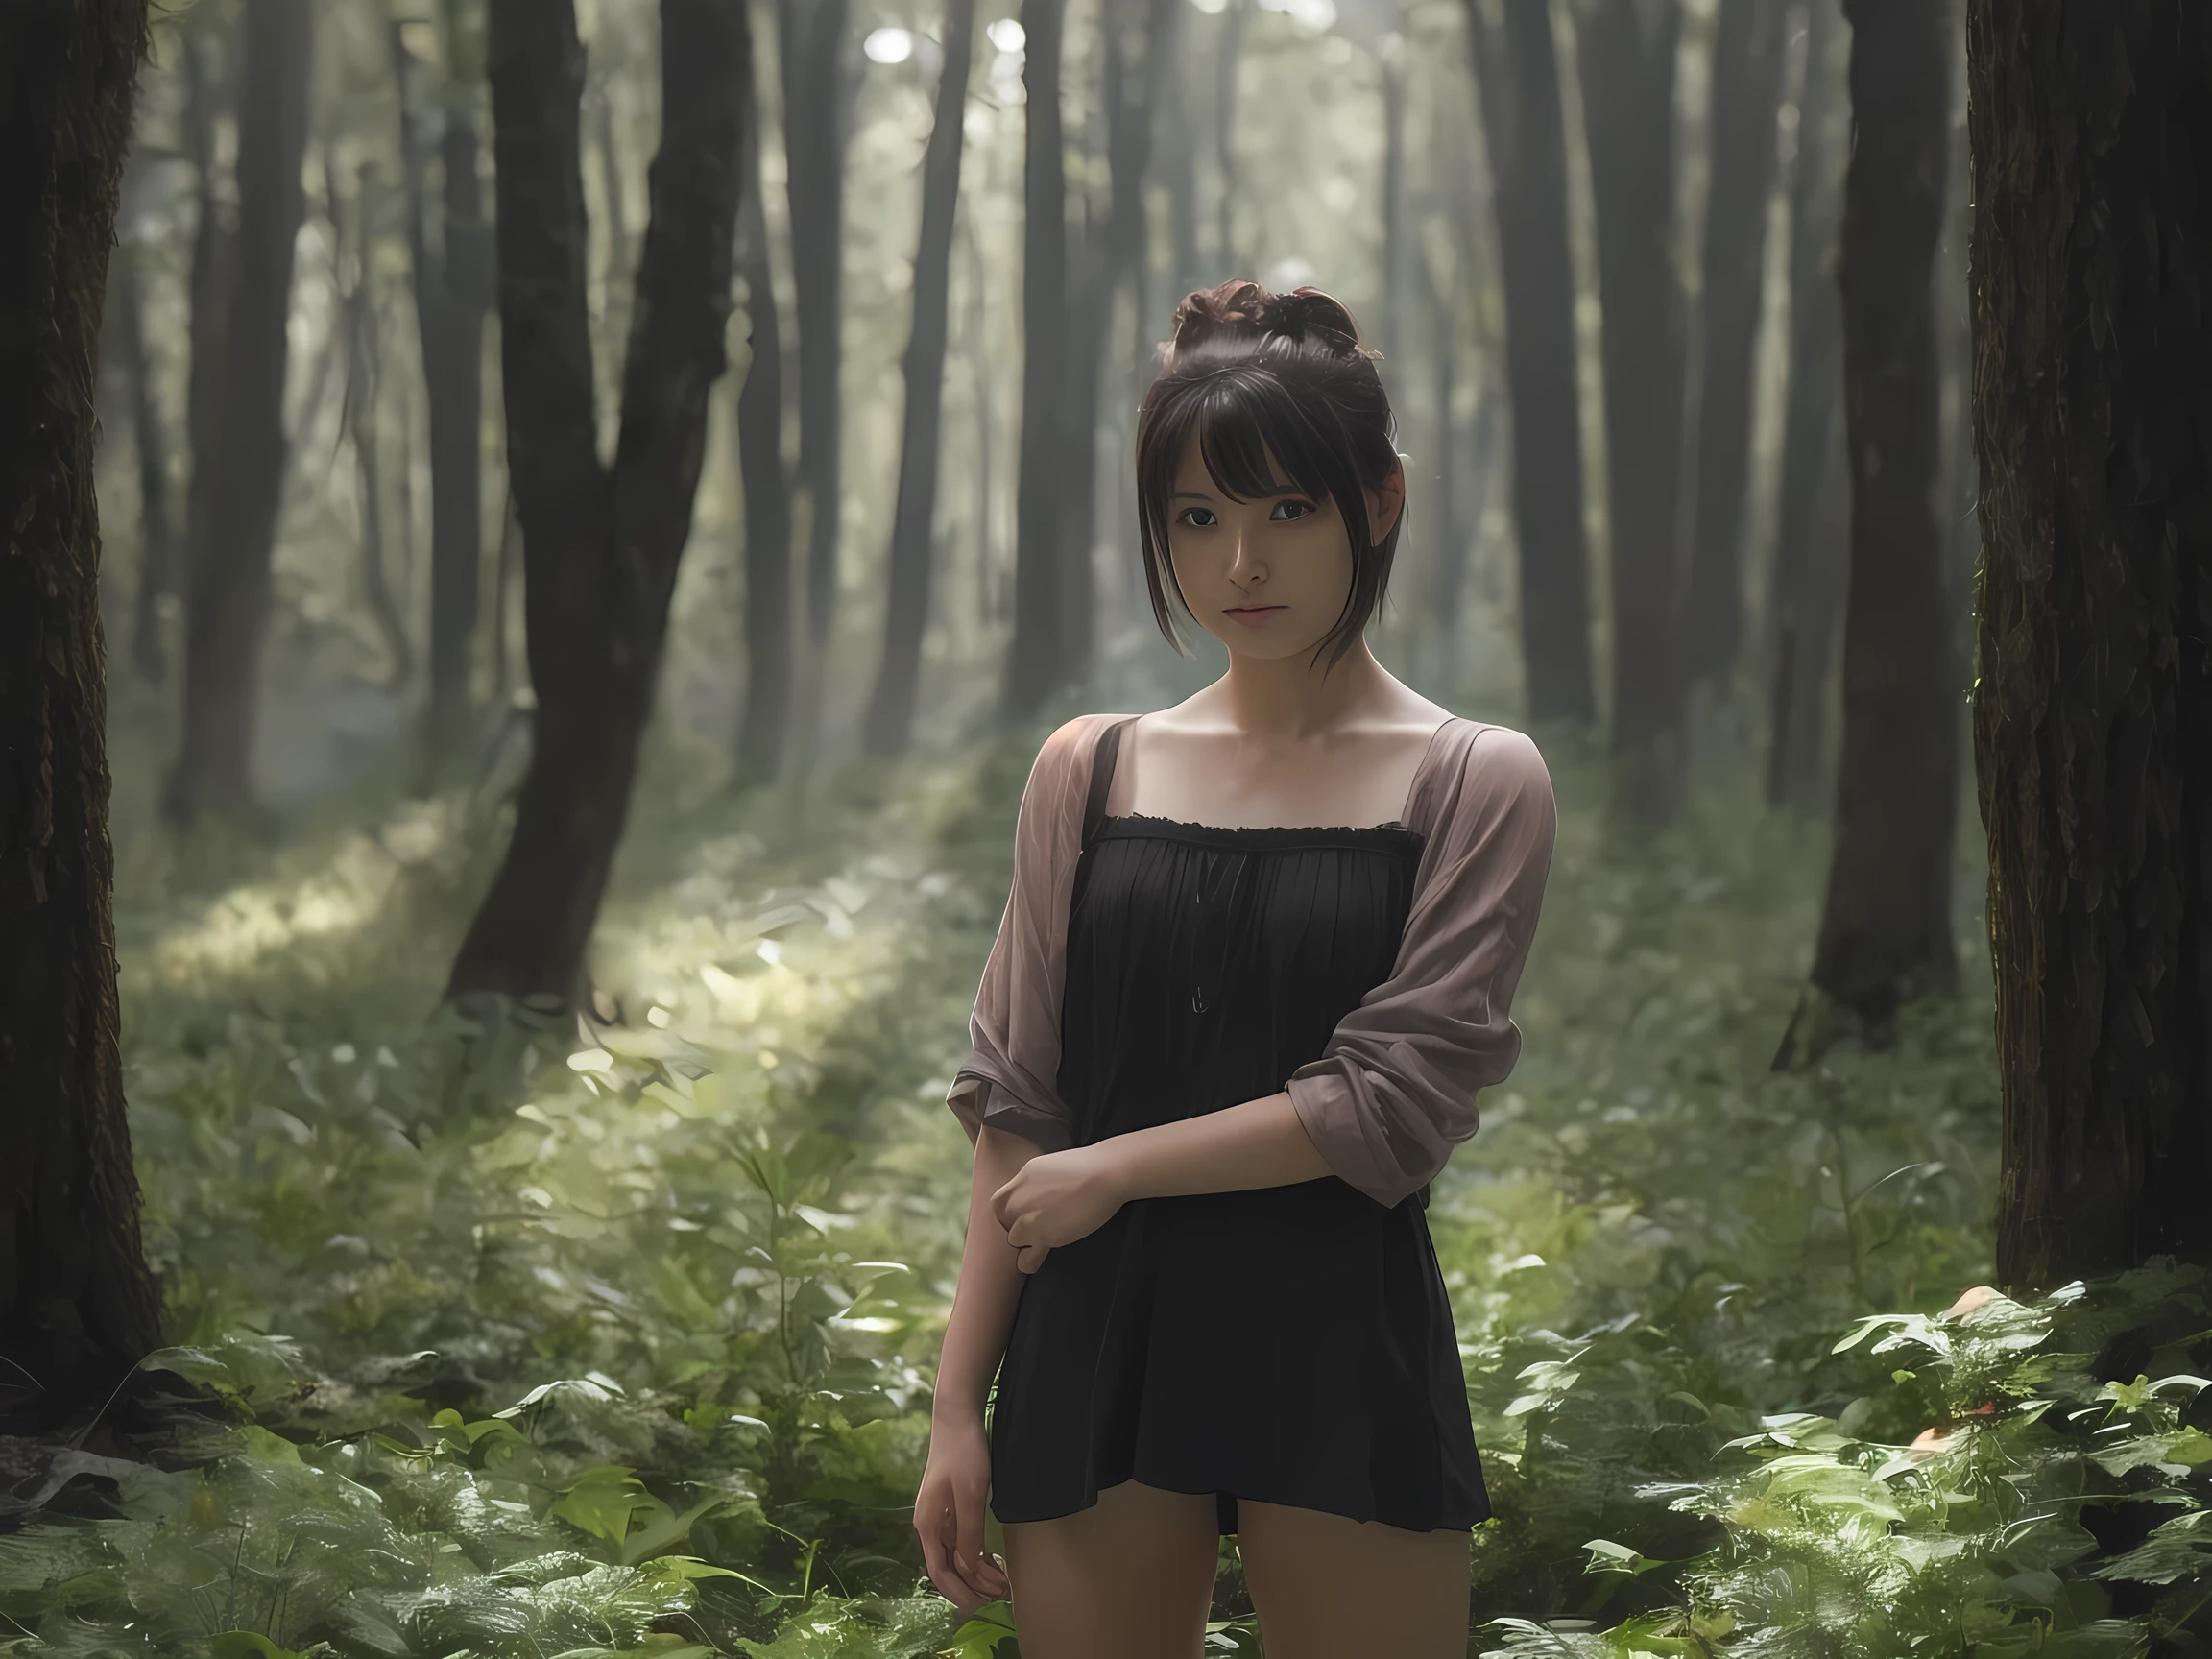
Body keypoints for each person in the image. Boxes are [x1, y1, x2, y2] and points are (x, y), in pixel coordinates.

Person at [912, 278, 1557, 1659]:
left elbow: (1394, 1101)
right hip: (1095, 1337)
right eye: (1198, 518)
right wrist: (959, 1405)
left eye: (1288, 511)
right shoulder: (1087, 769)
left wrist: (1122, 1166)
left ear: (1378, 504)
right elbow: (1019, 1102)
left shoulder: (1474, 779)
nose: (1241, 564)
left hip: (1337, 1330)